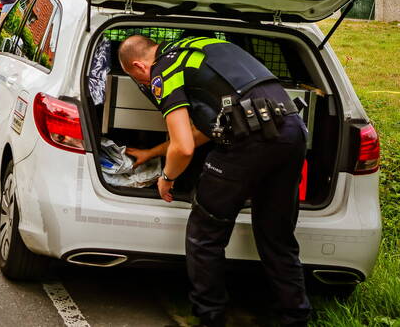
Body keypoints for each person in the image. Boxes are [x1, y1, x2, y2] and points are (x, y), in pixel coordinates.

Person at [119, 34, 310, 327]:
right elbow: (214, 126)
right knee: (276, 234)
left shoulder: (164, 71)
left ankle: (211, 316)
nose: (146, 86)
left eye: (140, 81)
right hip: (291, 130)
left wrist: (166, 178)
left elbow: (183, 147)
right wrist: (152, 152)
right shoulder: (201, 45)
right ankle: (295, 317)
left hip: (248, 142)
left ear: (139, 66)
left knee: (205, 233)